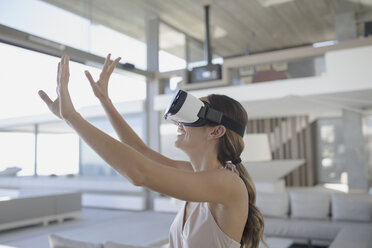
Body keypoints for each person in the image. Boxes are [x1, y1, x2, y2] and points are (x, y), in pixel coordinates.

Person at [38, 54, 266, 248]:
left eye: (191, 116)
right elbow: (139, 151)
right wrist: (105, 100)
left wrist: (71, 117)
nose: (179, 123)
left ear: (216, 131)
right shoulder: (196, 174)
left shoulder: (228, 184)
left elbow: (139, 172)